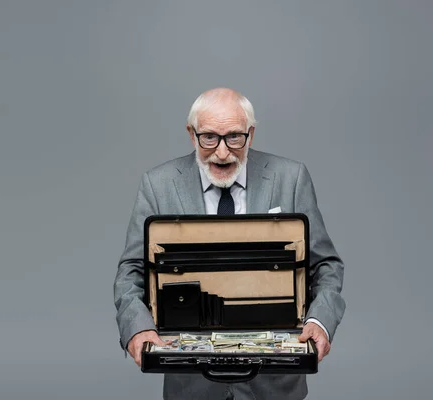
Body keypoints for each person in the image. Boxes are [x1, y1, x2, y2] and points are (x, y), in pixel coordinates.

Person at [113, 88, 346, 400]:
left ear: (250, 134)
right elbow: (131, 271)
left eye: (234, 137)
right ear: (191, 134)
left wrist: (320, 321)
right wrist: (138, 327)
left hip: (275, 381)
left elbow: (326, 265)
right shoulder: (158, 184)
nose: (222, 153)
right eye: (209, 137)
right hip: (191, 382)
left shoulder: (291, 177)